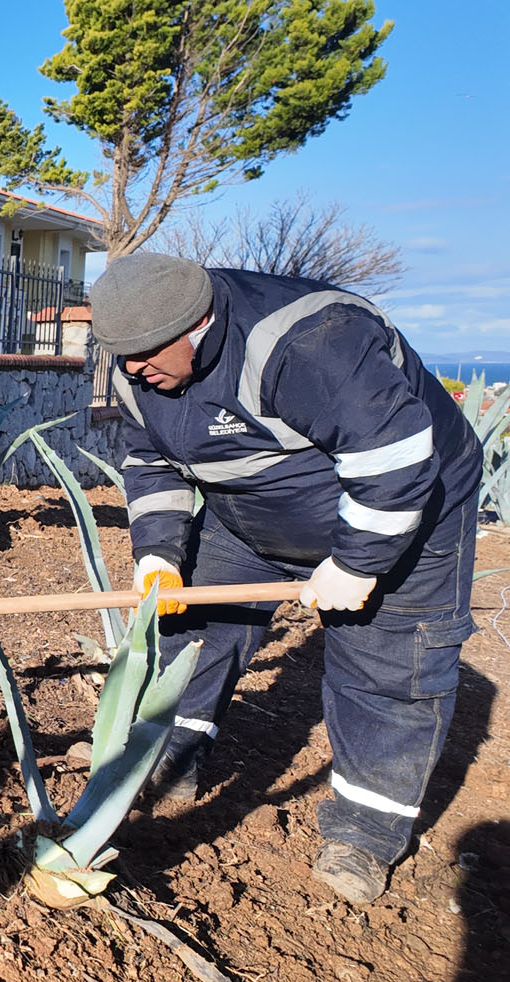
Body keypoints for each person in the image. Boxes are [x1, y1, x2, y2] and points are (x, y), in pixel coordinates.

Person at [94, 252, 481, 904]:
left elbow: (395, 459)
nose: (132, 371)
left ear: (200, 325)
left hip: (405, 512)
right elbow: (149, 458)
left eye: (147, 356)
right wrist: (158, 552)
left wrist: (358, 563)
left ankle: (364, 831)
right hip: (250, 515)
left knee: (387, 665)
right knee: (194, 628)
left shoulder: (305, 342)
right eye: (122, 357)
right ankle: (177, 754)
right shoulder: (137, 361)